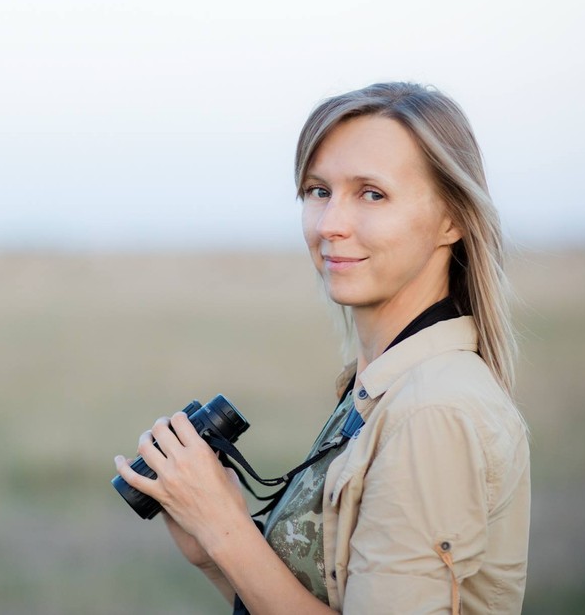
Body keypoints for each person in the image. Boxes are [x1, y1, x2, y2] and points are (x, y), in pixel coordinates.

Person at [113, 82, 530, 614]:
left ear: (452, 219)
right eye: (318, 191)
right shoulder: (381, 386)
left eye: (372, 194)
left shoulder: (432, 412)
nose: (330, 224)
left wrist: (225, 531)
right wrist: (214, 550)